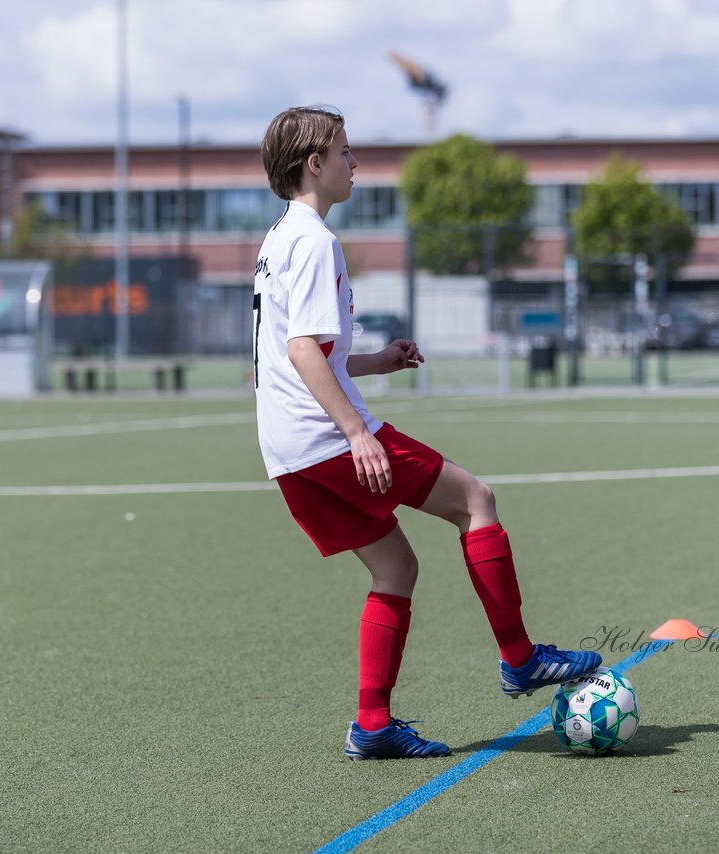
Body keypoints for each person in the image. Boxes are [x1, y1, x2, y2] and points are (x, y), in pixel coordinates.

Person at [252, 106, 601, 761]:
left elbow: (294, 355)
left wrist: (375, 363)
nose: (356, 163)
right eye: (347, 152)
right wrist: (357, 431)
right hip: (324, 437)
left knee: (396, 567)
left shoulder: (277, 240)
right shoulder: (314, 241)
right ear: (315, 165)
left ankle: (374, 726)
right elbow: (302, 353)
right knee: (477, 500)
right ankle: (521, 658)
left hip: (287, 450)